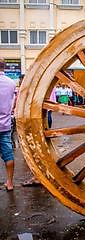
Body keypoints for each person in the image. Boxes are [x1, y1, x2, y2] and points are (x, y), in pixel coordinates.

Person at [0, 59, 16, 191]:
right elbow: (13, 101)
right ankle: (9, 183)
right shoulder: (11, 83)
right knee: (8, 154)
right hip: (5, 124)